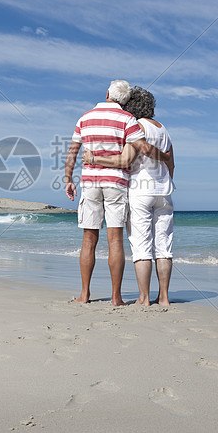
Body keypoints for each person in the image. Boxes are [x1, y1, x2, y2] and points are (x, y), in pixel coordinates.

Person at [83, 87, 175, 306]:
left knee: (141, 245)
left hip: (141, 190)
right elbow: (171, 162)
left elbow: (124, 160)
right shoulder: (163, 128)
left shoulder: (137, 127)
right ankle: (164, 297)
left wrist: (94, 158)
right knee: (163, 245)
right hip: (164, 191)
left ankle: (144, 298)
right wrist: (166, 182)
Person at [64, 80, 145, 306]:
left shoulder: (85, 118)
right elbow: (134, 153)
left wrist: (68, 179)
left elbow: (72, 152)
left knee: (89, 239)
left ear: (108, 93)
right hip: (116, 183)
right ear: (125, 100)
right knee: (115, 240)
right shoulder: (128, 120)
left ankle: (84, 294)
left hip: (90, 182)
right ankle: (117, 298)